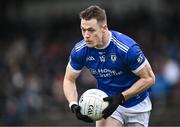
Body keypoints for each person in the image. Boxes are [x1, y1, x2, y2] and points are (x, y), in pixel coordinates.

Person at [63, 5, 155, 127]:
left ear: (104, 28)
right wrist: (73, 104)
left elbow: (149, 79)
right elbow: (69, 79)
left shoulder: (127, 49)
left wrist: (121, 97)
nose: (86, 35)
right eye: (83, 30)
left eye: (91, 30)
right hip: (107, 103)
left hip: (137, 105)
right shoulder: (80, 50)